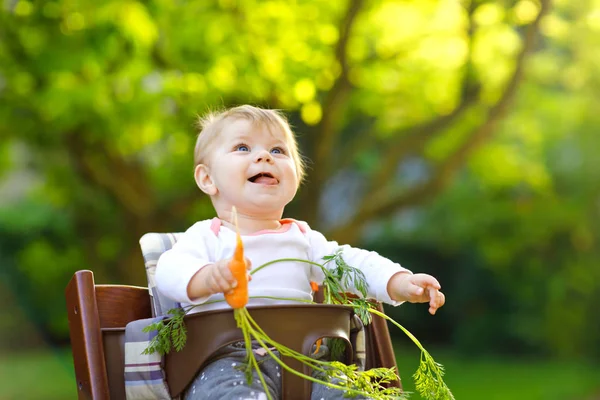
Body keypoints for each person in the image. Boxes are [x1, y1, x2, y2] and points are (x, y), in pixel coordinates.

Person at [155, 105, 445, 400]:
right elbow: (168, 271)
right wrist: (207, 278)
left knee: (348, 394)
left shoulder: (304, 240)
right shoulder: (207, 237)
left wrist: (398, 281)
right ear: (207, 179)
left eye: (278, 150)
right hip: (224, 361)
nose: (264, 156)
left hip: (305, 361)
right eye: (242, 147)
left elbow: (351, 264)